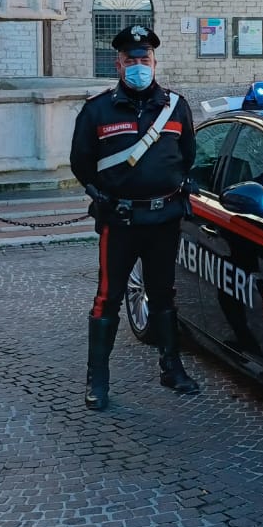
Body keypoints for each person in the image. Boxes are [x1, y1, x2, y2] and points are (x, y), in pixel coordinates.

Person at [69, 24, 201, 411]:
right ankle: (98, 379)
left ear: (154, 62)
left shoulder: (176, 106)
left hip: (164, 221)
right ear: (119, 64)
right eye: (131, 60)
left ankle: (171, 368)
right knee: (107, 299)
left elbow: (188, 156)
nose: (139, 65)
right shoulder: (98, 110)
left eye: (145, 59)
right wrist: (101, 196)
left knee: (164, 294)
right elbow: (81, 163)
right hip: (121, 222)